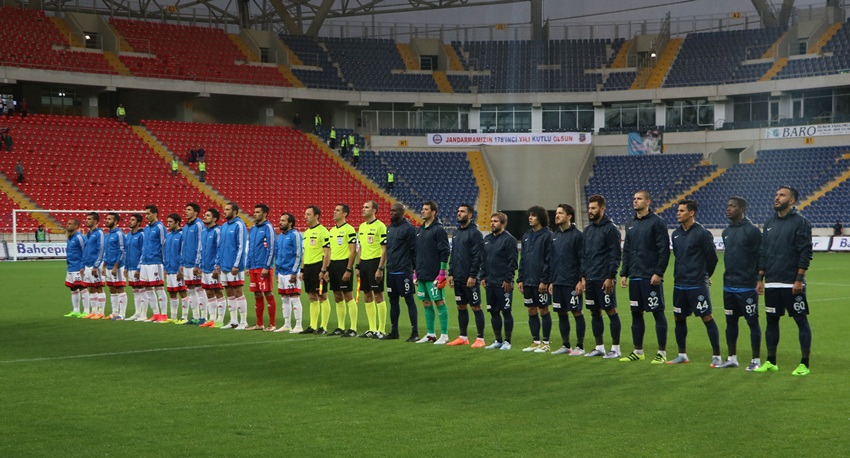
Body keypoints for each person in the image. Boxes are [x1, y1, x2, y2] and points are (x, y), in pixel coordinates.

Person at [754, 186, 813, 376]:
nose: (776, 198)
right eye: (776, 194)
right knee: (771, 321)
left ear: (792, 200)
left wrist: (799, 279)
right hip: (772, 283)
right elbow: (763, 252)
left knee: (800, 321)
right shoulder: (769, 223)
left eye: (782, 195)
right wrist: (760, 278)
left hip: (791, 283)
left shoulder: (801, 222)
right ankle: (771, 361)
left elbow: (805, 252)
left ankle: (804, 363)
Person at [619, 190, 671, 363]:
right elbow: (627, 250)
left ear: (648, 202)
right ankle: (638, 351)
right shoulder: (630, 224)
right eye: (634, 198)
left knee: (657, 313)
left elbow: (664, 250)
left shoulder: (657, 222)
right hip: (634, 276)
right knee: (636, 313)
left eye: (639, 198)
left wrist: (658, 272)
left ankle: (662, 352)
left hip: (650, 276)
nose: (635, 201)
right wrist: (624, 273)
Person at [667, 200, 720, 366]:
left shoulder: (702, 233)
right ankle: (682, 354)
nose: (678, 213)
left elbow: (712, 258)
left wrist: (704, 275)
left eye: (682, 210)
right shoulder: (675, 234)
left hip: (697, 284)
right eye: (678, 210)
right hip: (679, 284)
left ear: (691, 213)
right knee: (678, 318)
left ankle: (717, 356)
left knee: (706, 317)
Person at [715, 197, 763, 370]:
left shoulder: (752, 231)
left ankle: (756, 360)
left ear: (742, 209)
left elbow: (761, 257)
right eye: (727, 206)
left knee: (752, 323)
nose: (728, 209)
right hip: (729, 285)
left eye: (732, 206)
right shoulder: (726, 231)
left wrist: (759, 279)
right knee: (730, 322)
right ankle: (732, 358)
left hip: (747, 286)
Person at [580, 195, 622, 359]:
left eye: (594, 208)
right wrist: (583, 276)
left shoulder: (611, 229)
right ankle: (599, 347)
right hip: (590, 278)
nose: (590, 211)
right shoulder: (588, 230)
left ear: (602, 209)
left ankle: (616, 348)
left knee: (611, 311)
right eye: (589, 208)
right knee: (594, 312)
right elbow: (584, 255)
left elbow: (615, 255)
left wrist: (610, 276)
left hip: (604, 278)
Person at [548, 204, 586, 355]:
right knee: (561, 313)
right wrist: (551, 281)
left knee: (577, 312)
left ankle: (580, 346)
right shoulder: (554, 236)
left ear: (569, 216)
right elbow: (551, 260)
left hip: (572, 282)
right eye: (556, 213)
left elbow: (582, 258)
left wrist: (580, 280)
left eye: (560, 213)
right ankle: (566, 345)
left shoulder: (577, 235)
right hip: (557, 281)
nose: (557, 216)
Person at [447, 204, 485, 347]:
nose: (459, 213)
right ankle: (463, 337)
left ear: (469, 215)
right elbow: (454, 254)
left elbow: (478, 256)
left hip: (470, 277)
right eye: (458, 211)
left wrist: (473, 275)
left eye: (462, 212)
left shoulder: (475, 233)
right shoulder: (456, 232)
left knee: (476, 307)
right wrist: (451, 273)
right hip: (458, 277)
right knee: (461, 306)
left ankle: (480, 339)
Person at [414, 201, 451, 344]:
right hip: (422, 273)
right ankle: (430, 334)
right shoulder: (419, 230)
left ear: (433, 212)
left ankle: (444, 335)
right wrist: (415, 272)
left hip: (434, 274)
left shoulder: (439, 230)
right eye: (422, 209)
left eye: (426, 209)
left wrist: (442, 272)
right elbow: (416, 253)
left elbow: (445, 251)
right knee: (426, 303)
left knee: (439, 301)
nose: (422, 211)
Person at [518, 206, 554, 352]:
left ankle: (545, 342)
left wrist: (545, 280)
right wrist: (520, 278)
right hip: (528, 280)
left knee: (543, 309)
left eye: (533, 215)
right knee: (531, 310)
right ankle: (535, 340)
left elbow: (549, 259)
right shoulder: (526, 236)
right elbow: (523, 258)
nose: (530, 218)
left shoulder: (548, 235)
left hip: (541, 280)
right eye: (529, 215)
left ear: (540, 217)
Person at [481, 212, 518, 350]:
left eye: (495, 221)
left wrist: (508, 279)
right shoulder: (487, 239)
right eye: (491, 221)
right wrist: (483, 276)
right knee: (493, 312)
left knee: (506, 311)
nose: (492, 223)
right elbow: (483, 259)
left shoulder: (509, 240)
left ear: (503, 224)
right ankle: (498, 340)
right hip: (490, 282)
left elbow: (512, 261)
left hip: (503, 283)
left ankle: (507, 341)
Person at [383, 203, 419, 341]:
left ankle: (415, 332)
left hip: (404, 271)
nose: (391, 213)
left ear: (401, 212)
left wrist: (414, 270)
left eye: (394, 211)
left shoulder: (409, 229)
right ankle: (394, 331)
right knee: (393, 301)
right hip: (391, 270)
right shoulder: (390, 228)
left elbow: (414, 250)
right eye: (390, 211)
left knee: (409, 300)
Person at [355, 200, 388, 338]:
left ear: (374, 211)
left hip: (375, 263)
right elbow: (360, 248)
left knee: (378, 294)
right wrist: (357, 265)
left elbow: (384, 249)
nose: (363, 209)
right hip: (364, 264)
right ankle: (372, 328)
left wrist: (380, 268)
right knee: (367, 295)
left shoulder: (380, 226)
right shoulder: (362, 227)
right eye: (363, 207)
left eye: (366, 207)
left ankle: (381, 329)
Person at [299, 205, 331, 334]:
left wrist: (324, 270)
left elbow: (327, 253)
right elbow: (304, 252)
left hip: (319, 267)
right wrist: (302, 269)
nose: (305, 216)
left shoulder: (323, 231)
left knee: (322, 296)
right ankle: (312, 326)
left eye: (308, 214)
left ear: (316, 216)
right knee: (312, 297)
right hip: (308, 267)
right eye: (305, 214)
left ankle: (323, 326)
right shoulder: (306, 233)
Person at [326, 204, 357, 336]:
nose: (334, 212)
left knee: (348, 295)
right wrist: (327, 269)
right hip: (333, 265)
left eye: (337, 210)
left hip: (344, 265)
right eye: (334, 210)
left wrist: (348, 269)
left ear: (345, 214)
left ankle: (353, 328)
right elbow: (330, 252)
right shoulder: (331, 231)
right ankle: (340, 327)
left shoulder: (349, 230)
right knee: (337, 296)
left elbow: (352, 252)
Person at [217, 202, 249, 330]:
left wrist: (236, 264)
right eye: (224, 209)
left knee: (238, 292)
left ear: (235, 212)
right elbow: (220, 247)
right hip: (224, 266)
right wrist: (218, 263)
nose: (224, 211)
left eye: (227, 209)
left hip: (234, 266)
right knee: (229, 292)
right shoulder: (224, 226)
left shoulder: (239, 225)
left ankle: (243, 321)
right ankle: (233, 320)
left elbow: (241, 246)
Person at [246, 204, 277, 331]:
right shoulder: (253, 228)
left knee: (268, 293)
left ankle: (272, 324)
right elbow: (250, 249)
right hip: (253, 267)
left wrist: (267, 266)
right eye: (254, 211)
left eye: (258, 212)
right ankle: (259, 324)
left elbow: (272, 247)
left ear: (265, 214)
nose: (255, 214)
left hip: (263, 267)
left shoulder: (268, 227)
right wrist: (248, 266)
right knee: (257, 294)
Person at [273, 213, 304, 333]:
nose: (280, 222)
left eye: (283, 221)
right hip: (281, 272)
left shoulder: (295, 235)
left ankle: (299, 324)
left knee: (294, 298)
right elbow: (277, 255)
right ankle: (287, 324)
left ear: (290, 223)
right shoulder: (280, 237)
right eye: (280, 220)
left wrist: (294, 271)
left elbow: (298, 254)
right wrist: (277, 272)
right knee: (284, 298)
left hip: (291, 271)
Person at [140, 205, 169, 322]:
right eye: (146, 214)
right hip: (145, 262)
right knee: (147, 288)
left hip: (155, 262)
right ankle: (156, 313)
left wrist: (164, 263)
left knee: (159, 288)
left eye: (148, 213)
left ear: (155, 214)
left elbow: (163, 245)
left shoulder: (160, 228)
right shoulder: (146, 228)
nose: (146, 216)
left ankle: (164, 314)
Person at [179, 203, 206, 325]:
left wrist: (197, 263)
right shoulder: (185, 226)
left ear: (195, 213)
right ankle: (195, 316)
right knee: (190, 290)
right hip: (187, 263)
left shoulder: (199, 225)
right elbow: (184, 246)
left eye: (189, 210)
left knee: (199, 289)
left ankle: (204, 316)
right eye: (186, 209)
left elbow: (201, 244)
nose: (186, 212)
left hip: (194, 263)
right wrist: (182, 262)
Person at [199, 209, 227, 328]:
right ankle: (212, 318)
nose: (205, 217)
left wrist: (217, 266)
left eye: (208, 215)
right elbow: (201, 250)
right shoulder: (204, 231)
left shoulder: (217, 231)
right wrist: (200, 265)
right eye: (205, 215)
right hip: (205, 267)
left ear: (214, 219)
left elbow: (220, 249)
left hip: (213, 267)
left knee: (218, 292)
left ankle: (220, 319)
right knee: (209, 293)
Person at [102, 212, 127, 320]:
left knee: (119, 288)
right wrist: (104, 266)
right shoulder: (107, 235)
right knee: (112, 289)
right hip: (108, 266)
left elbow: (122, 251)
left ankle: (122, 313)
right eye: (107, 219)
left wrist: (116, 266)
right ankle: (114, 312)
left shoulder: (119, 234)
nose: (107, 221)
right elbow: (106, 252)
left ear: (116, 221)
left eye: (109, 219)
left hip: (117, 266)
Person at [163, 213, 188, 323]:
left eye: (170, 222)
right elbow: (165, 253)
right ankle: (173, 316)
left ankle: (184, 316)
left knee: (182, 292)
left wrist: (180, 268)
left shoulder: (182, 235)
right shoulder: (168, 236)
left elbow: (183, 252)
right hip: (169, 268)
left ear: (177, 222)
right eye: (168, 222)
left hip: (178, 268)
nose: (168, 224)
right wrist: (165, 268)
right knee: (172, 292)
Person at [81, 212, 106, 319]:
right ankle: (93, 311)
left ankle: (101, 312)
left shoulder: (99, 233)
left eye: (89, 219)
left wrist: (96, 265)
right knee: (91, 288)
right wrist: (83, 265)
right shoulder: (87, 234)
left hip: (96, 265)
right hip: (87, 265)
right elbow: (85, 250)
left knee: (99, 287)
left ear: (95, 221)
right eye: (86, 219)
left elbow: (101, 249)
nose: (86, 220)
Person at [62, 218, 87, 318]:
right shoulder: (69, 238)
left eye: (69, 223)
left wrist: (83, 266)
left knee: (82, 287)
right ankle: (76, 310)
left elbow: (85, 251)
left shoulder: (79, 237)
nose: (67, 225)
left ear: (76, 226)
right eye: (67, 223)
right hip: (71, 267)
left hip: (78, 267)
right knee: (73, 288)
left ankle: (86, 310)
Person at [125, 214, 147, 321]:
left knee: (142, 290)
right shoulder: (129, 235)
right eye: (130, 220)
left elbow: (143, 251)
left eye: (132, 220)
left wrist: (139, 268)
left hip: (138, 267)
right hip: (130, 267)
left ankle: (144, 313)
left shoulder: (141, 235)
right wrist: (126, 267)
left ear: (138, 223)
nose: (130, 221)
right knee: (135, 290)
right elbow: (126, 252)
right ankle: (137, 312)